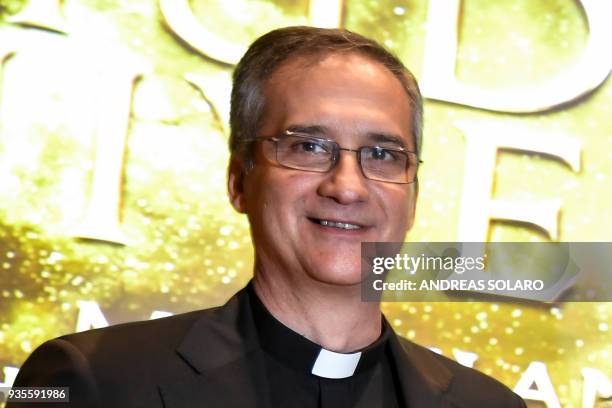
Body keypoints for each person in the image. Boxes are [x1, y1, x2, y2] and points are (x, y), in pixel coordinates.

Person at [8, 26, 526, 407]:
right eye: (307, 146)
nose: (346, 186)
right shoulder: (88, 380)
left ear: (412, 197)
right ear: (239, 180)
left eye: (383, 155)